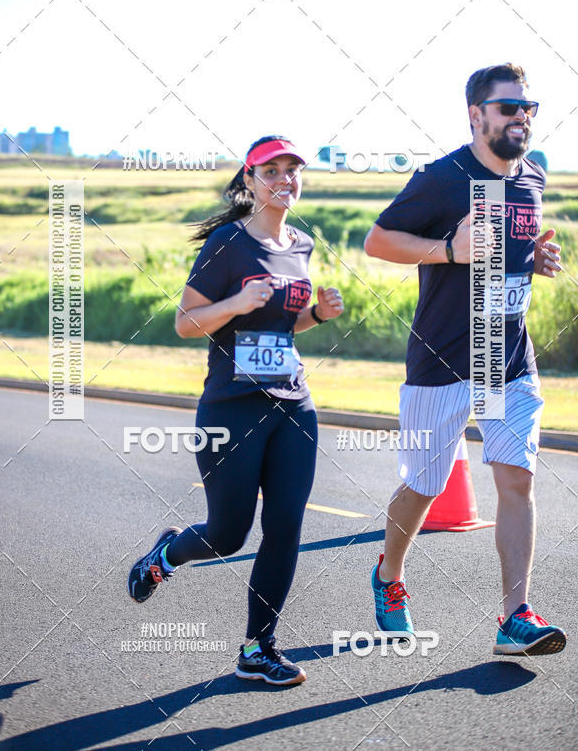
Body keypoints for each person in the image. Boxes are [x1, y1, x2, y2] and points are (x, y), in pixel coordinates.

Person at [364, 63, 567, 656]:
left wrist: (533, 259)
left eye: (529, 107)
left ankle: (514, 617)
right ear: (476, 114)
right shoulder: (442, 178)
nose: (521, 117)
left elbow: (509, 244)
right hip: (444, 362)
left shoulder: (532, 176)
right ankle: (390, 574)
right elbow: (379, 241)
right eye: (509, 108)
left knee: (516, 480)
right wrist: (449, 249)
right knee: (424, 489)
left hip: (508, 361)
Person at [128, 135, 344, 685]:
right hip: (231, 407)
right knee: (229, 534)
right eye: (272, 170)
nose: (285, 179)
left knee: (286, 527)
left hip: (293, 402)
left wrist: (315, 315)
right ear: (249, 181)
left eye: (293, 170)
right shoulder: (227, 242)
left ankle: (258, 648)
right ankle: (165, 556)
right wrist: (235, 303)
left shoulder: (301, 244)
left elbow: (280, 324)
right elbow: (185, 322)